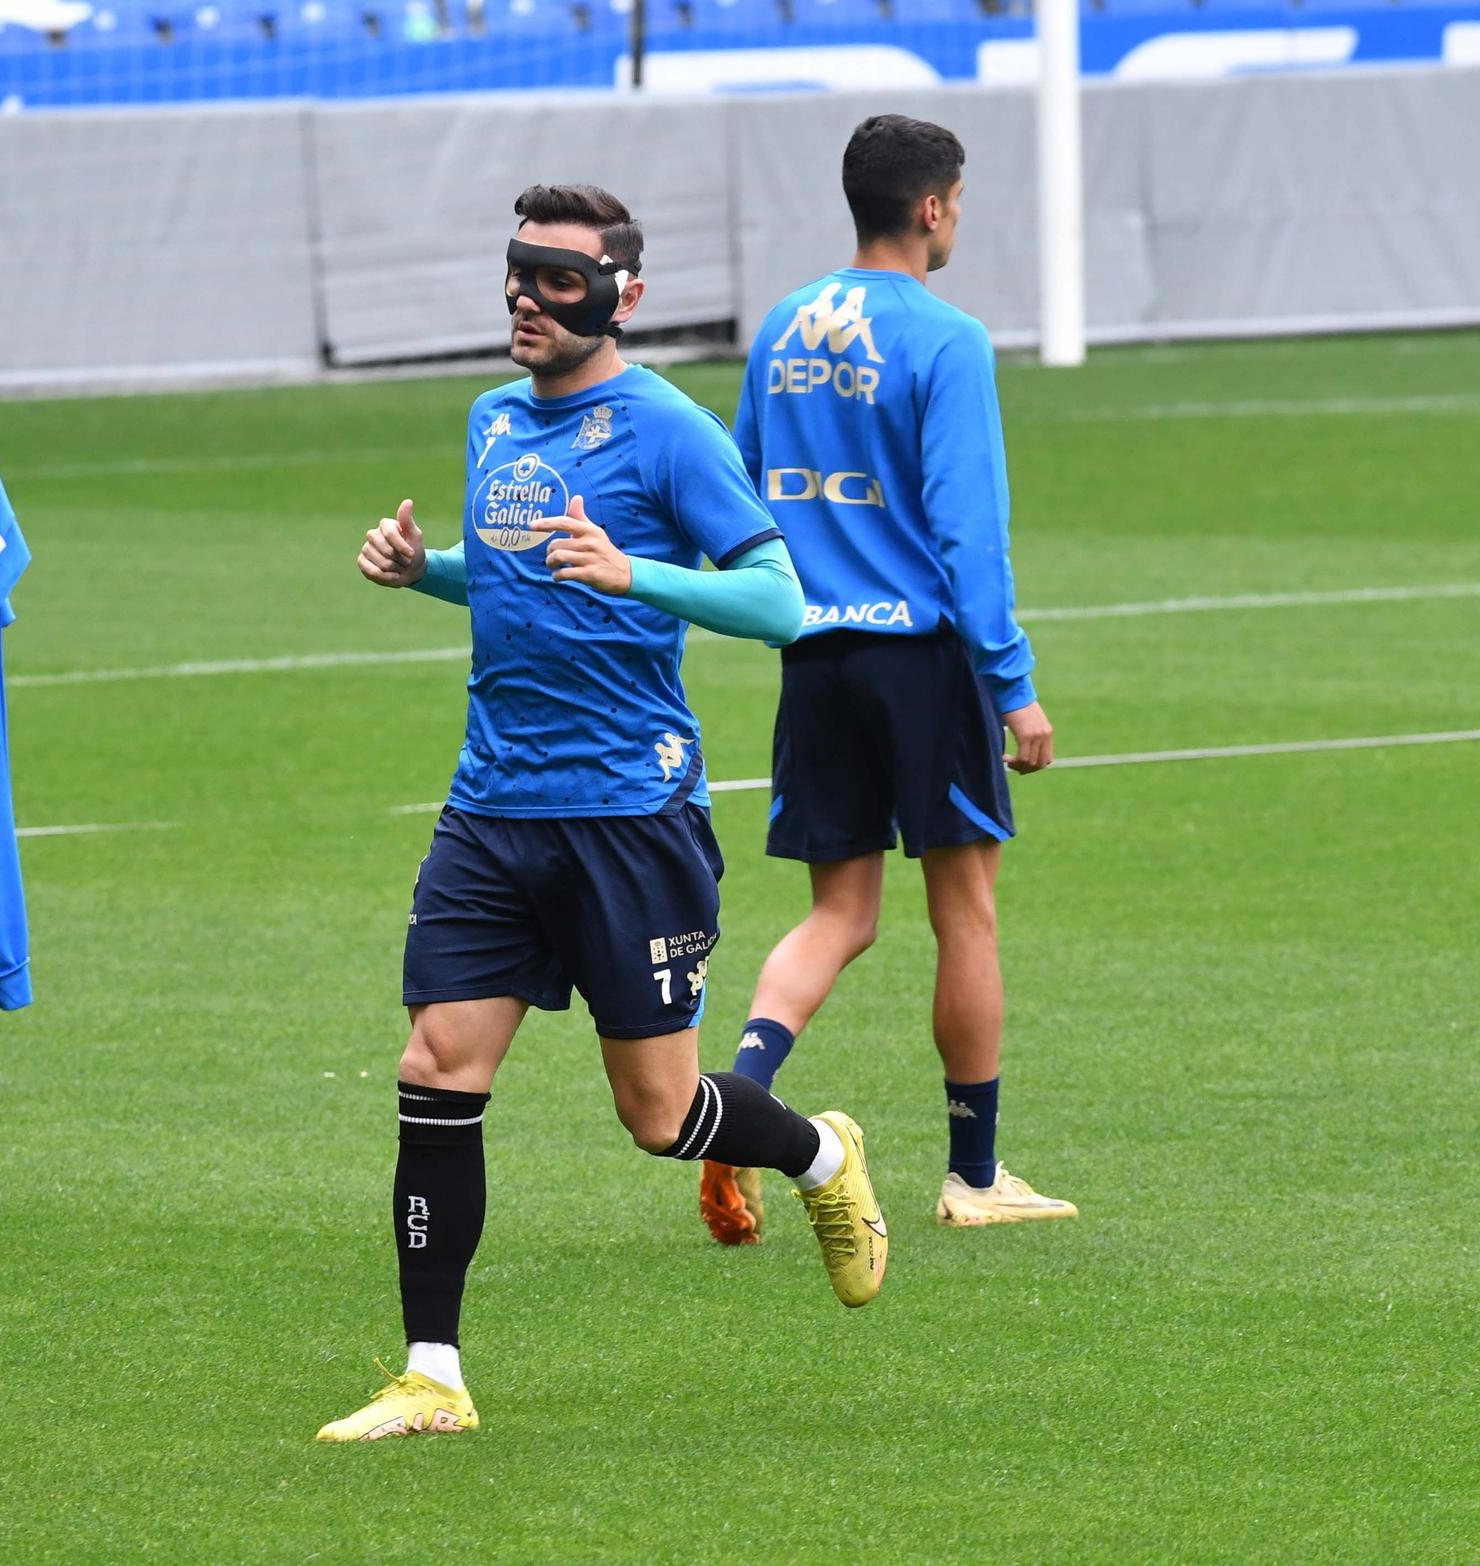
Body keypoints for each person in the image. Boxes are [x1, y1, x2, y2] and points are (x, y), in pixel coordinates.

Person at [318, 183, 888, 1444]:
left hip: (629, 815)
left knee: (659, 1117)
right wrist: (431, 577)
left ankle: (819, 1159)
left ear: (622, 296)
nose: (525, 297)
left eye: (556, 280)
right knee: (434, 1067)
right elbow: (516, 575)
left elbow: (779, 602)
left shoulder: (669, 432)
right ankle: (433, 1376)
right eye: (514, 273)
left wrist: (641, 573)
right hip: (491, 808)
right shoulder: (490, 421)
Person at [698, 115, 1076, 1246]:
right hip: (919, 660)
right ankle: (973, 1174)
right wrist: (1011, 684)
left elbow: (738, 487)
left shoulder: (781, 327)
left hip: (812, 654)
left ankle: (733, 1103)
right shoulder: (945, 338)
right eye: (955, 202)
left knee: (836, 913)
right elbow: (968, 532)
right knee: (964, 915)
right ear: (930, 207)